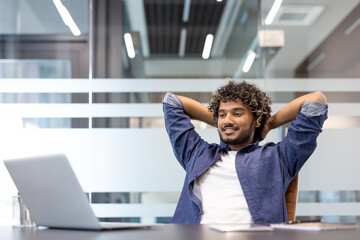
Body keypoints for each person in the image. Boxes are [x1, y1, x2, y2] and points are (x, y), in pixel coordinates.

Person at [163, 80, 328, 224]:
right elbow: (172, 102)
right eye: (222, 114)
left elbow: (316, 101)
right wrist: (224, 123)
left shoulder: (278, 157)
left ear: (256, 120)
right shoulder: (197, 153)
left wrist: (269, 123)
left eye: (237, 113)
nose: (227, 119)